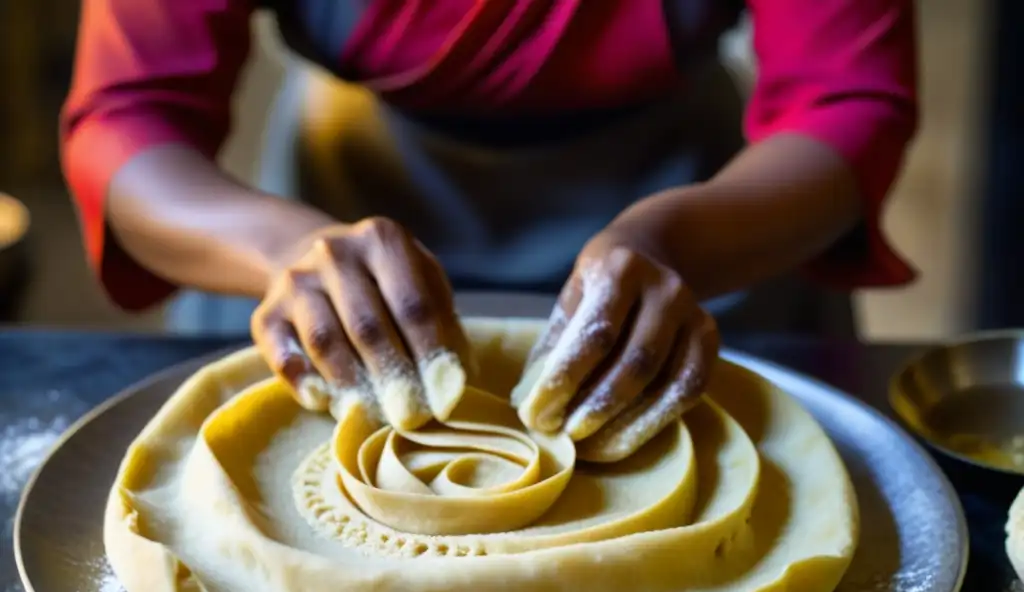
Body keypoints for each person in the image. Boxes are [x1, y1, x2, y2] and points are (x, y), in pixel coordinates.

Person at [61, 0, 917, 454]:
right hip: (341, 195)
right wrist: (281, 249)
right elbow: (129, 115)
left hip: (704, 222)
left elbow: (849, 98)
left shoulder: (696, 239)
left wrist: (679, 243)